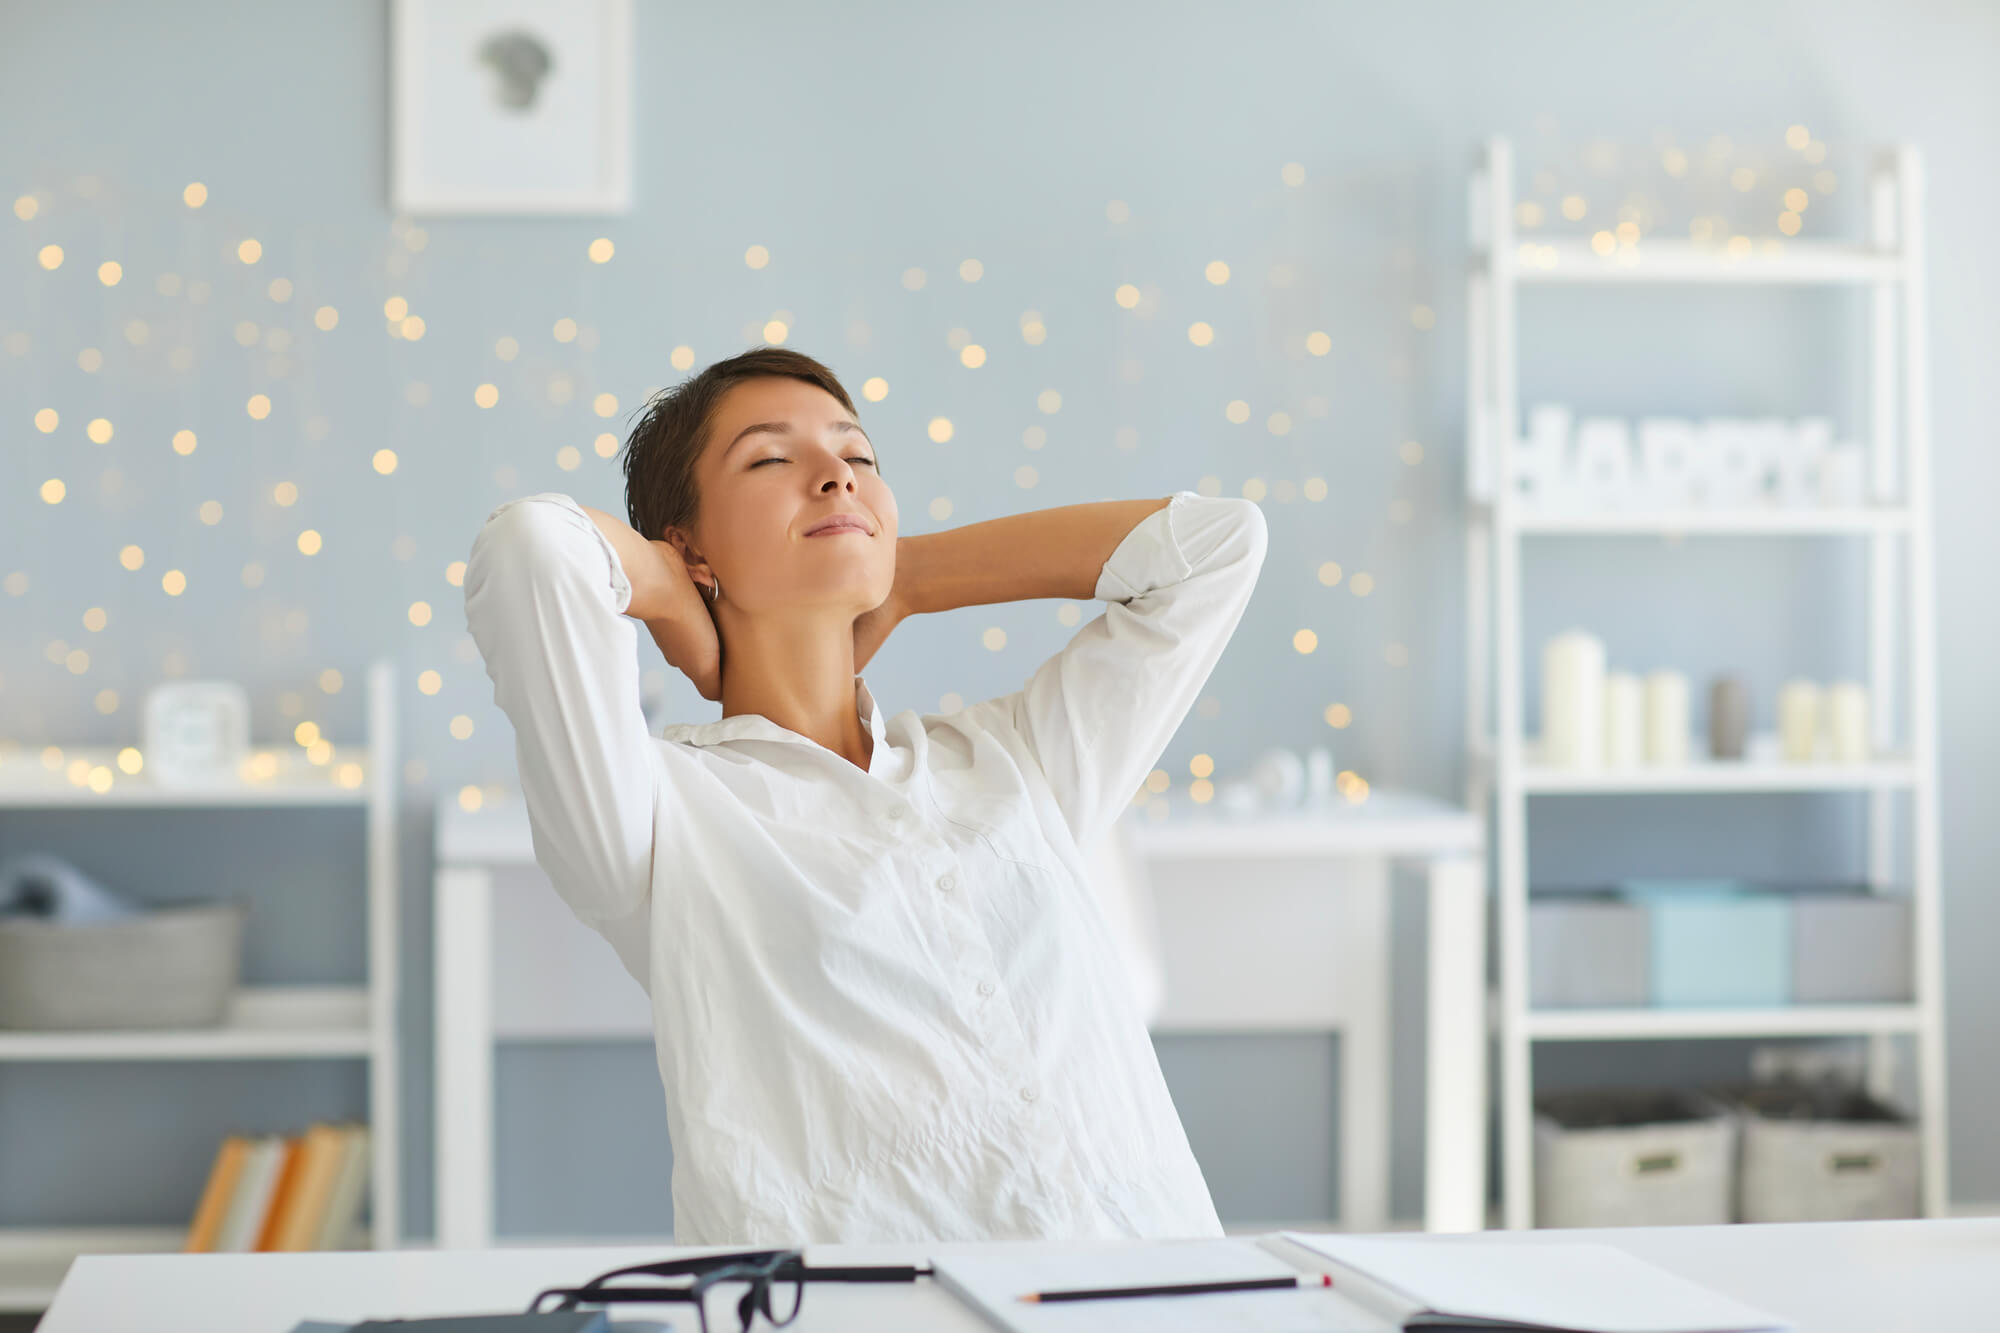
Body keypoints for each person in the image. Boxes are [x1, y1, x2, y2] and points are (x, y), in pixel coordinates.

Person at [463, 346, 1268, 1246]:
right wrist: (663, 593)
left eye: (861, 459)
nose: (836, 478)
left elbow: (1218, 546)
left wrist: (914, 576)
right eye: (771, 459)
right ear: (688, 545)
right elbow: (529, 549)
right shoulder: (658, 817)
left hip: (1167, 1293)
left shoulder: (1015, 764)